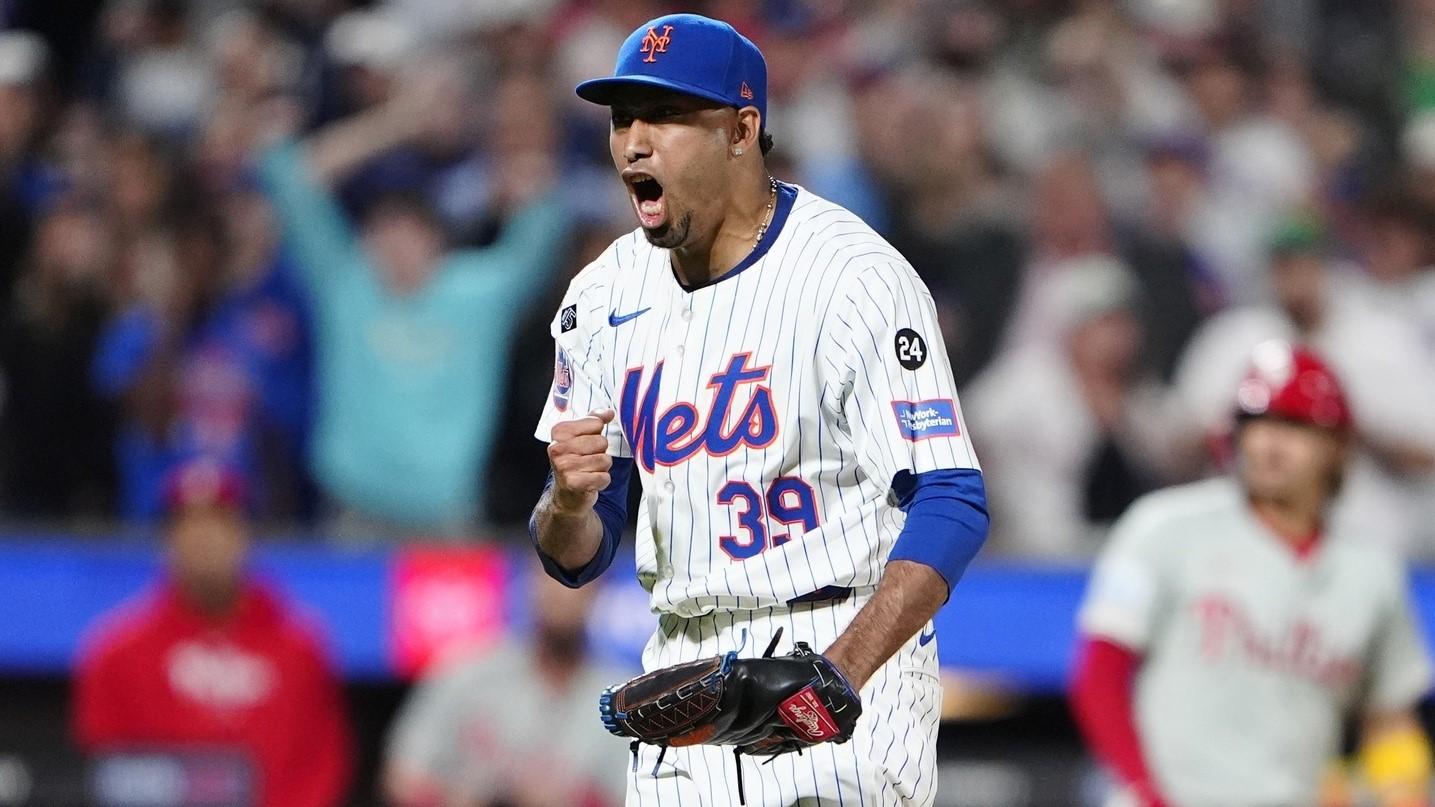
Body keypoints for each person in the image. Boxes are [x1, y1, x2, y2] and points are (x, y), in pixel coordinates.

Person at [529, 14, 989, 806]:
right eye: (621, 117)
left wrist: (839, 669)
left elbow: (952, 502)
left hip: (846, 650)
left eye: (666, 114)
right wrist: (566, 498)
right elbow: (576, 553)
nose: (635, 141)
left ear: (742, 129)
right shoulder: (598, 297)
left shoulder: (854, 279)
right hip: (686, 669)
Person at [1071, 341, 1434, 807]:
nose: (1269, 441)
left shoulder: (1372, 571)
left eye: (1295, 425)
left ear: (1338, 447)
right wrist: (1146, 792)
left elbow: (1389, 719)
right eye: (1257, 422)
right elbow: (1100, 675)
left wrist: (1404, 792)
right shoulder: (1164, 527)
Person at [256, 67, 570, 534]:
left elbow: (542, 210)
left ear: (437, 243)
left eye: (410, 232)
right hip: (353, 516)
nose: (396, 246)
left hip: (447, 520)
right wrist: (399, 121)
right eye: (382, 232)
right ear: (366, 242)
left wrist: (501, 134)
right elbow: (287, 176)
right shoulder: (346, 284)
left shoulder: (475, 291)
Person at [72, 461, 353, 807]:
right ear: (167, 539)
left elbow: (322, 764)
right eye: (188, 523)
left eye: (219, 522)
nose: (203, 538)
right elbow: (107, 773)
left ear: (245, 534)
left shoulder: (299, 645)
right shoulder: (118, 650)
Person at [383, 564, 631, 807]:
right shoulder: (466, 670)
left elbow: (637, 797)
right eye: (552, 574)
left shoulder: (622, 696)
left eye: (581, 580)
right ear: (529, 580)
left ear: (602, 590)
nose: (563, 591)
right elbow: (402, 778)